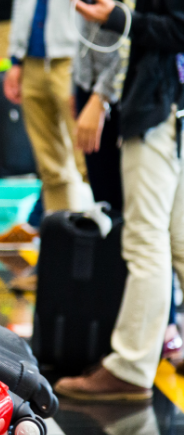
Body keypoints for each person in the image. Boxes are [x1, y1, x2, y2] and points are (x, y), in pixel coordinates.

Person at [54, 0, 184, 400]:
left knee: (147, 238)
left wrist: (118, 19)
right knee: (177, 240)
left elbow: (174, 28)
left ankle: (131, 367)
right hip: (167, 102)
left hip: (156, 105)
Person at [3, 0, 89, 214]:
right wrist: (16, 60)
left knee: (87, 158)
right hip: (31, 59)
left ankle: (105, 235)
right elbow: (21, 7)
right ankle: (63, 233)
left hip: (70, 58)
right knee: (49, 163)